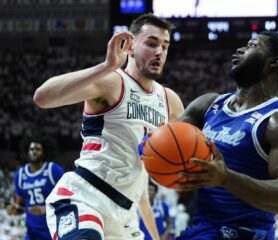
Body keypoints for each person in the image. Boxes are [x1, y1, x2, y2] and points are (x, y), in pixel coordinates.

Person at [33, 13, 184, 240]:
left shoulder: (170, 101)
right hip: (85, 197)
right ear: (130, 47)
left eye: (165, 46)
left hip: (126, 216)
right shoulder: (113, 82)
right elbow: (43, 97)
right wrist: (106, 66)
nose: (159, 52)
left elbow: (184, 158)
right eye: (151, 43)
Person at [175, 31, 278, 240]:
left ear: (272, 62)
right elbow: (167, 142)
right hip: (201, 226)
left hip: (245, 232)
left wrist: (226, 178)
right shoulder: (209, 104)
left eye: (252, 45)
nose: (239, 49)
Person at [8, 138, 64, 240]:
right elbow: (21, 205)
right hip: (32, 233)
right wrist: (14, 209)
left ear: (44, 152)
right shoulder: (20, 175)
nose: (34, 151)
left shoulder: (54, 170)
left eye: (38, 149)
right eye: (31, 149)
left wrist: (46, 209)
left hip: (54, 230)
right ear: (27, 152)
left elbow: (67, 200)